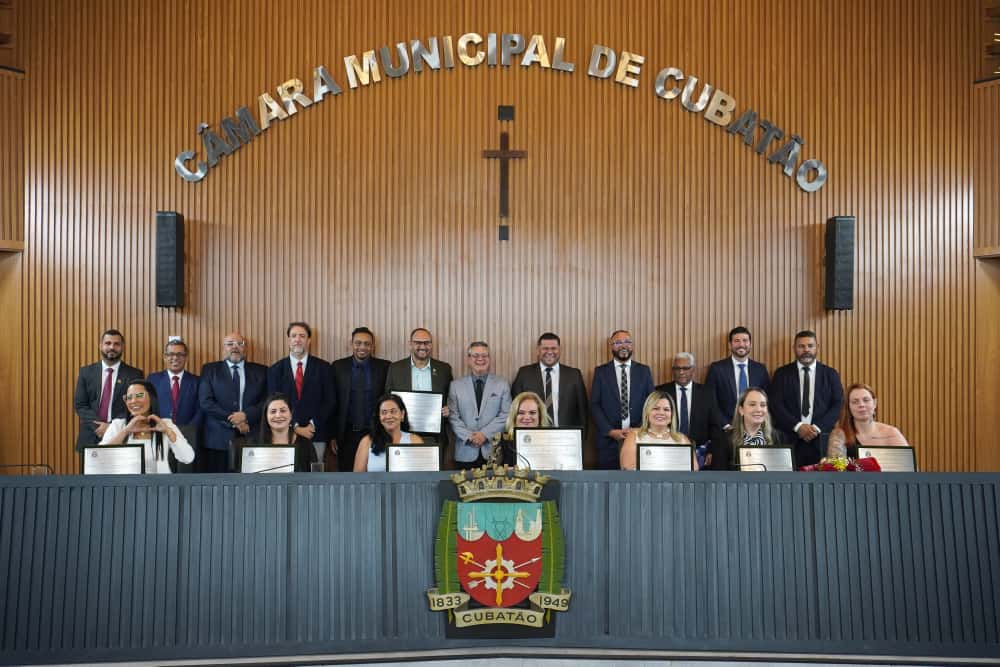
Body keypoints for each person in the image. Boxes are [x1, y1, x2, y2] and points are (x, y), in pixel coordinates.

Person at [769, 330, 844, 467]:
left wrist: (817, 427)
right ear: (794, 348)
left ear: (817, 347)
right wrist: (798, 426)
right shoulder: (781, 374)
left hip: (821, 439)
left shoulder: (830, 374)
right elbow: (776, 404)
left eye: (810, 346)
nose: (806, 350)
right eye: (801, 346)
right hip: (789, 438)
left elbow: (837, 404)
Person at [266, 322, 336, 467]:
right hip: (285, 435)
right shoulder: (275, 370)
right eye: (293, 336)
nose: (297, 339)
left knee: (315, 476)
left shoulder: (324, 368)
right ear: (288, 340)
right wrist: (295, 426)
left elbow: (330, 401)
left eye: (302, 336)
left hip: (316, 433)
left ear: (309, 340)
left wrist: (312, 424)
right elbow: (273, 403)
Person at [198, 330, 269, 473]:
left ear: (245, 348)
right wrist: (235, 420)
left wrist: (246, 416)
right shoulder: (210, 370)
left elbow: (267, 401)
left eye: (239, 343)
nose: (235, 347)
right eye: (230, 344)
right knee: (218, 487)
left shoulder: (262, 371)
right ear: (223, 348)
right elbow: (206, 402)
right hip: (218, 440)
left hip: (252, 437)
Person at [590, 329, 655, 469]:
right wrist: (610, 431)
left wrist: (639, 430)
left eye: (627, 342)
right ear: (611, 346)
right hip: (608, 441)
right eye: (618, 342)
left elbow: (652, 403)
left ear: (632, 346)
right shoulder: (600, 372)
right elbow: (595, 405)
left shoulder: (644, 371)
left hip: (639, 438)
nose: (623, 345)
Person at [100, 380, 195, 474]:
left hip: (159, 485)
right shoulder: (118, 425)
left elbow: (188, 458)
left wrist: (168, 431)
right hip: (125, 485)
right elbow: (99, 459)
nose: (133, 401)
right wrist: (125, 431)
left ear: (152, 398)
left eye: (139, 395)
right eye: (129, 397)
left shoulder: (165, 424)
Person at [74, 329, 144, 455]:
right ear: (101, 345)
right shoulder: (86, 372)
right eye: (108, 343)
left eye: (116, 344)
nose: (112, 347)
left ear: (122, 347)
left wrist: (111, 427)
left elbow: (136, 406)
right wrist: (99, 427)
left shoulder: (134, 374)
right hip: (90, 436)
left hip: (121, 436)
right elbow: (80, 405)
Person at [331, 327, 391, 471]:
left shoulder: (385, 367)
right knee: (347, 477)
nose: (362, 347)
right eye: (358, 343)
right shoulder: (338, 367)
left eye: (367, 343)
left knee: (376, 476)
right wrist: (332, 435)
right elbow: (333, 403)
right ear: (351, 344)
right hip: (346, 435)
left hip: (376, 434)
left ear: (373, 346)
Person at [384, 327, 453, 450]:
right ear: (411, 344)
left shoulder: (444, 369)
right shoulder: (395, 368)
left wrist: (449, 408)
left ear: (431, 345)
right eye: (418, 342)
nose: (423, 346)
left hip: (435, 437)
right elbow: (387, 399)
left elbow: (451, 398)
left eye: (427, 342)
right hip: (402, 435)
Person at [447, 341, 511, 469]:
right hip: (464, 452)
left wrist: (484, 434)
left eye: (484, 355)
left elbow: (506, 415)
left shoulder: (502, 384)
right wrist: (470, 437)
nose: (480, 359)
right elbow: (453, 416)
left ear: (489, 358)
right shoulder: (455, 386)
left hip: (493, 454)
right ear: (469, 359)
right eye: (475, 355)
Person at [655, 352, 725, 468]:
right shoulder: (661, 391)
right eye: (677, 368)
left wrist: (712, 451)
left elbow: (715, 425)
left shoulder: (707, 393)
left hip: (699, 453)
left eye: (685, 368)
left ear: (693, 369)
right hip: (668, 450)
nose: (681, 372)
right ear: (673, 370)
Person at [509, 332, 588, 431]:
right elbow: (515, 407)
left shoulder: (574, 375)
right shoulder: (524, 373)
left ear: (559, 350)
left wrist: (581, 439)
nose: (550, 352)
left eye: (554, 348)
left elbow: (583, 412)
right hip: (532, 436)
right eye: (545, 348)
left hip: (566, 437)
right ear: (538, 350)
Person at [147, 339, 202, 471]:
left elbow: (201, 410)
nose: (175, 358)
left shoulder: (197, 381)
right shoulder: (152, 379)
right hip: (160, 435)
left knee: (185, 475)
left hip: (187, 437)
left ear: (186, 357)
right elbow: (148, 407)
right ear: (165, 357)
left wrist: (188, 430)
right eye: (170, 354)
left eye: (180, 354)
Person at [705, 326, 770, 424]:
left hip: (755, 426)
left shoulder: (760, 369)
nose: (741, 344)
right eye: (737, 341)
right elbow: (711, 402)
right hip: (727, 428)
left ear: (750, 344)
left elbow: (767, 399)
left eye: (745, 340)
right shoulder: (717, 369)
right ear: (730, 345)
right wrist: (725, 425)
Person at [828, 383, 908, 458]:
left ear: (875, 403)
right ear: (848, 407)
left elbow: (910, 469)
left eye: (866, 400)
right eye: (855, 402)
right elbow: (836, 469)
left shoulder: (891, 433)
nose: (861, 405)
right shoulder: (839, 435)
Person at [242, 393, 318, 472]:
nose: (278, 415)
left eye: (283, 410)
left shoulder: (306, 444)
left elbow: (315, 478)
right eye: (273, 412)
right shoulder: (254, 444)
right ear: (266, 416)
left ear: (291, 414)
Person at [620, 391, 693, 470]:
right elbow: (627, 467)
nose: (661, 413)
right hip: (644, 481)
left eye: (666, 409)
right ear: (647, 411)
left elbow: (694, 470)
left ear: (672, 414)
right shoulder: (634, 435)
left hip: (676, 481)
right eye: (655, 408)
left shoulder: (682, 439)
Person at [353, 394, 424, 472]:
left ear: (402, 414)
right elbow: (358, 479)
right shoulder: (366, 442)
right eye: (384, 412)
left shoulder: (415, 441)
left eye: (393, 411)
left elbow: (424, 476)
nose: (389, 416)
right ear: (379, 417)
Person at [490, 391, 552, 466]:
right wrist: (508, 472)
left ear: (540, 416)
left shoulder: (550, 440)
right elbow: (491, 472)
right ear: (514, 416)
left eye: (532, 413)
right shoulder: (500, 439)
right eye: (521, 413)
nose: (526, 417)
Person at [728, 388, 784, 466]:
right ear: (741, 410)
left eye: (763, 405)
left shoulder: (779, 437)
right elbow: (719, 476)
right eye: (752, 404)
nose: (758, 409)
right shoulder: (725, 439)